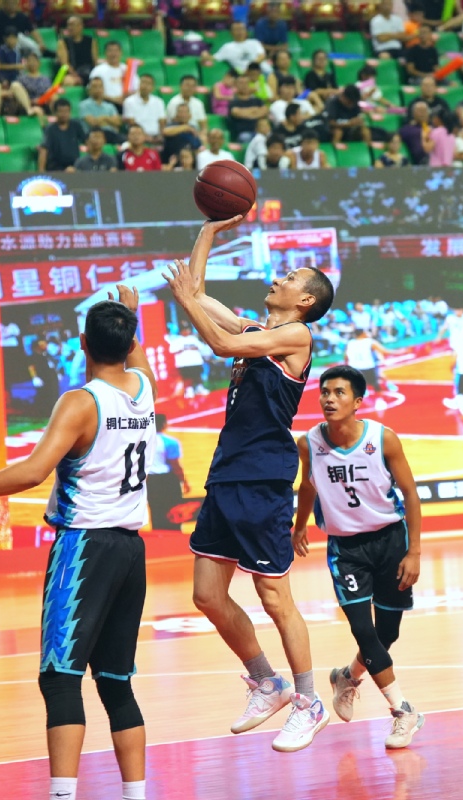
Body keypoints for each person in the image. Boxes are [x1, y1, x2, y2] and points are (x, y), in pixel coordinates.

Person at [0, 291, 157, 800]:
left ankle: (62, 795)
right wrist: (131, 315)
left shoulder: (81, 401)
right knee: (116, 682)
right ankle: (136, 795)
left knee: (60, 677)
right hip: (130, 552)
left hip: (84, 547)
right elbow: (134, 356)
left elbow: (32, 471)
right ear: (130, 343)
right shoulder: (144, 388)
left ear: (81, 343)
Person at [161, 217, 335, 753]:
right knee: (207, 595)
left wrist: (188, 302)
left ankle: (309, 702)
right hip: (227, 473)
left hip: (264, 477)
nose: (279, 277)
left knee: (274, 596)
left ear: (305, 300)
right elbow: (198, 293)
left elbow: (216, 340)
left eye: (291, 277)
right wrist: (209, 231)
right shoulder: (256, 330)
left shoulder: (296, 336)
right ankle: (267, 681)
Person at [291, 365, 424, 748]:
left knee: (387, 633)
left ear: (358, 401)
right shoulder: (309, 443)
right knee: (363, 630)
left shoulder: (383, 439)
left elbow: (410, 495)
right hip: (346, 549)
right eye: (325, 392)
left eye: (339, 393)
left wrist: (414, 551)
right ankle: (403, 711)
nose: (329, 399)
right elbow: (307, 486)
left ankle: (347, 677)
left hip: (390, 541)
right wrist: (300, 526)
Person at [148, 414, 189, 534]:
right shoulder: (170, 442)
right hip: (168, 480)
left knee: (156, 510)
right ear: (164, 425)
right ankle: (175, 536)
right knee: (173, 511)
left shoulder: (143, 441)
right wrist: (184, 481)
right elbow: (175, 465)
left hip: (151, 481)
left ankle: (159, 536)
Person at [344, 328, 395, 395]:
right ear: (363, 333)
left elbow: (346, 356)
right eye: (366, 332)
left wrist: (347, 365)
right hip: (368, 366)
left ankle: (364, 391)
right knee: (376, 383)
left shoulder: (350, 343)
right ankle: (383, 389)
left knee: (360, 382)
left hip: (355, 367)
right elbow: (385, 351)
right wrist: (401, 351)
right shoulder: (369, 341)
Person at [38, 99, 83, 172]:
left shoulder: (76, 125)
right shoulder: (50, 129)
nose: (64, 114)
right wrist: (41, 170)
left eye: (66, 111)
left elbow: (87, 141)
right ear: (55, 113)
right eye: (61, 111)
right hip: (55, 169)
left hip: (74, 167)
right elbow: (44, 150)